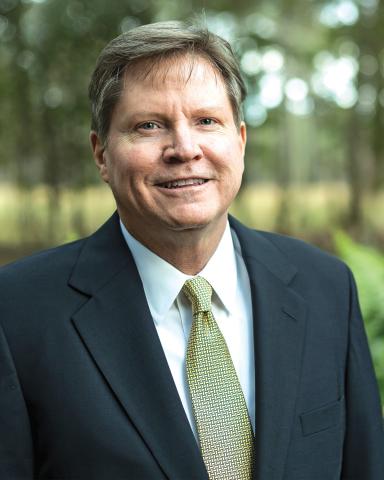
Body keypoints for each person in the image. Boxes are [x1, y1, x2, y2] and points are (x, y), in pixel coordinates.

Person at [0, 20, 383, 480]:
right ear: (101, 154)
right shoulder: (17, 312)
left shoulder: (326, 287)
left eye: (206, 121)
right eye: (148, 126)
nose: (184, 148)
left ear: (239, 141)